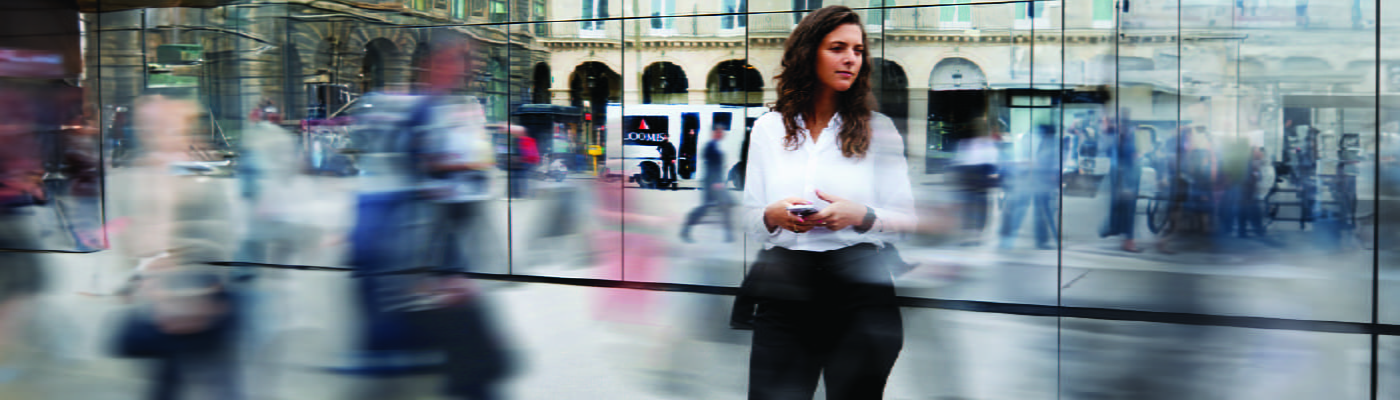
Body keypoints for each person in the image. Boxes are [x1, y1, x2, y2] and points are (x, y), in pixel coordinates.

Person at [739, 6, 915, 399]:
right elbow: (749, 214)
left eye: (858, 50)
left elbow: (907, 217)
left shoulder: (878, 129)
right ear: (808, 53)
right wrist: (772, 215)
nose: (851, 58)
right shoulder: (768, 129)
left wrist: (862, 216)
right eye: (838, 47)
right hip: (784, 288)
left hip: (859, 288)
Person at [680, 126, 734, 243]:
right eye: (719, 132)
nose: (721, 134)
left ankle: (728, 235)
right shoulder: (710, 147)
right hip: (712, 183)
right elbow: (710, 166)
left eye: (722, 132)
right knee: (707, 208)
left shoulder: (714, 146)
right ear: (714, 133)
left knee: (724, 207)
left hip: (714, 182)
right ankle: (686, 229)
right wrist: (716, 182)